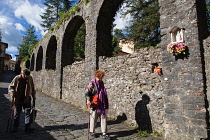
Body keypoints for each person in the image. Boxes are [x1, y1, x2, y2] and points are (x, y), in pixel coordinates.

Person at [8, 68, 36, 133]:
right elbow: (11, 87)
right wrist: (12, 92)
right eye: (25, 75)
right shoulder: (17, 78)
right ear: (22, 74)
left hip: (27, 98)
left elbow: (32, 87)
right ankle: (15, 127)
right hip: (18, 99)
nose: (26, 76)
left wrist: (33, 96)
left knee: (28, 113)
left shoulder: (30, 78)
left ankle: (27, 127)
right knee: (17, 113)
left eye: (27, 75)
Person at [85, 70, 110, 139]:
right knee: (93, 118)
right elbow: (87, 92)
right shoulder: (92, 83)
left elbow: (103, 93)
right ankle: (92, 132)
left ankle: (104, 133)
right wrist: (88, 100)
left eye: (101, 78)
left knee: (103, 118)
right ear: (96, 76)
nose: (100, 79)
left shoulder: (101, 83)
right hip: (94, 103)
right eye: (99, 78)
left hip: (102, 104)